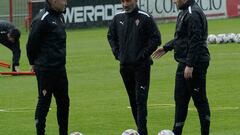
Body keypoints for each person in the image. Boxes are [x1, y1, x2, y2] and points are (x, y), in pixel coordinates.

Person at [152, 0, 211, 135]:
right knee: (180, 99)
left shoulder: (193, 13)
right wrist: (167, 47)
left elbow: (195, 41)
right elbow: (182, 38)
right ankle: (176, 132)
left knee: (200, 100)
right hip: (184, 62)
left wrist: (190, 65)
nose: (173, 1)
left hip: (195, 64)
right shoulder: (184, 12)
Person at [107, 0, 161, 134]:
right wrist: (117, 53)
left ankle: (142, 132)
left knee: (140, 100)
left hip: (141, 67)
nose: (125, 4)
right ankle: (141, 130)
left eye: (128, 1)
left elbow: (156, 38)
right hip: (125, 67)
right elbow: (110, 36)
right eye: (123, 1)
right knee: (133, 100)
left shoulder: (145, 17)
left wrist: (143, 55)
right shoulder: (117, 18)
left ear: (135, 1)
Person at [26, 0, 69, 135]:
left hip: (60, 69)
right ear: (53, 1)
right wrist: (33, 63)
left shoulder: (59, 16)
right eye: (63, 0)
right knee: (44, 102)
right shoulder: (42, 19)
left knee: (64, 103)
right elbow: (31, 44)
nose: (66, 2)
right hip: (46, 70)